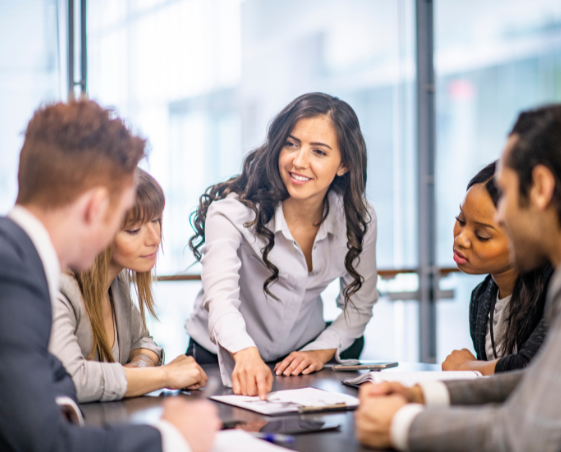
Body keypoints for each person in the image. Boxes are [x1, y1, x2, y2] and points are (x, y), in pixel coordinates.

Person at [355, 104, 561, 452]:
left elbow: (524, 436)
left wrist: (401, 424)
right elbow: (545, 381)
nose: (502, 216)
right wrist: (424, 393)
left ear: (540, 187)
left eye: (505, 193)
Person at [0, 99, 220, 452]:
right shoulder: (13, 276)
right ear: (96, 208)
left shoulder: (20, 261)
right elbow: (44, 443)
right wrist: (172, 437)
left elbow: (53, 387)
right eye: (124, 220)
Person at [184, 92, 378, 398]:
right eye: (291, 144)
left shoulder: (358, 218)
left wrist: (319, 351)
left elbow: (360, 304)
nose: (299, 161)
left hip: (298, 360)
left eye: (319, 151)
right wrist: (244, 351)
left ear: (344, 165)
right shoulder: (233, 212)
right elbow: (220, 300)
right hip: (221, 356)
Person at [49, 168, 208, 402]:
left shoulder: (117, 280)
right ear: (98, 233)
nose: (155, 238)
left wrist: (140, 368)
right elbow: (72, 378)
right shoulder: (59, 288)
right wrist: (163, 375)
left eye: (156, 220)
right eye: (134, 230)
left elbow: (144, 342)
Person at [442, 162, 553, 376]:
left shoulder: (555, 289)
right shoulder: (481, 298)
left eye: (482, 235)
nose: (461, 239)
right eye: (461, 220)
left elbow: (532, 370)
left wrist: (466, 367)